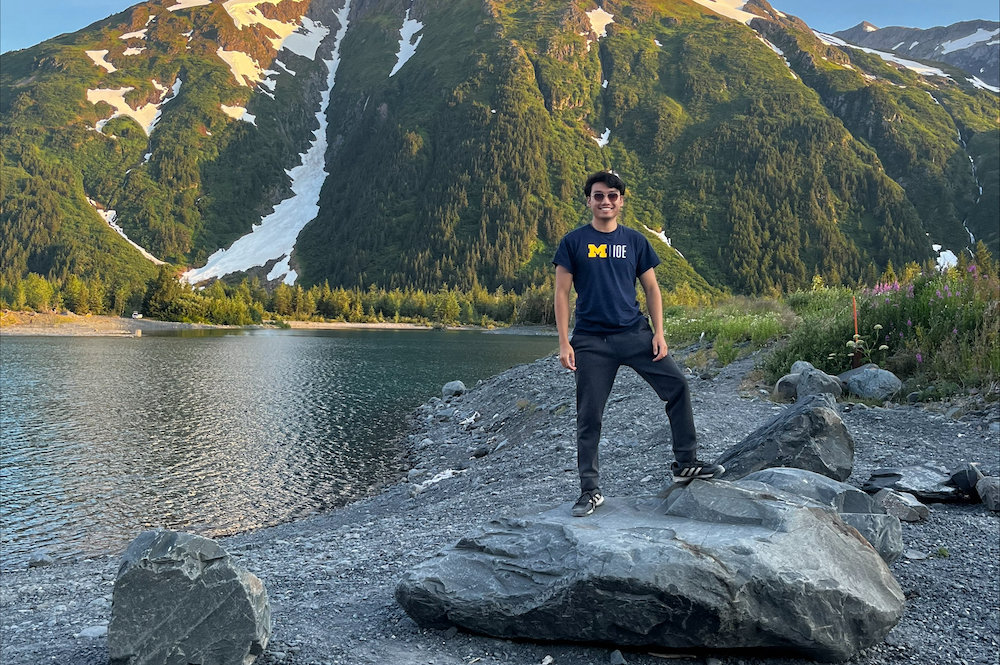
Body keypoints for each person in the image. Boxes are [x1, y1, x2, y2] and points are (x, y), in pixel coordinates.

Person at [552, 170, 723, 517]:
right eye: (599, 196)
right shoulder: (573, 242)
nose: (606, 201)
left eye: (612, 196)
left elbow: (652, 289)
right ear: (589, 200)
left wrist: (659, 333)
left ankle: (685, 463)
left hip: (634, 334)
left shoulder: (635, 241)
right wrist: (564, 342)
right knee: (589, 415)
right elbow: (561, 293)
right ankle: (590, 490)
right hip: (590, 341)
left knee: (676, 386)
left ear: (621, 201)